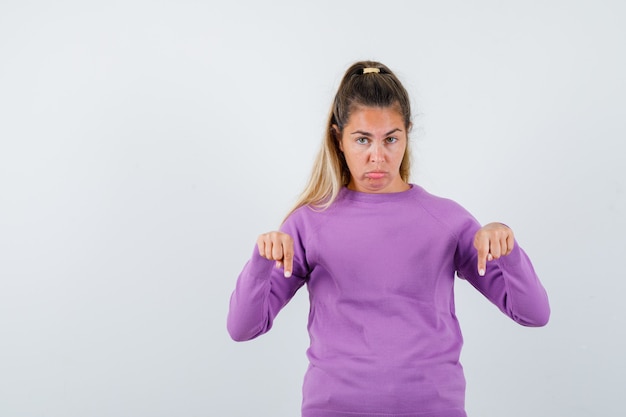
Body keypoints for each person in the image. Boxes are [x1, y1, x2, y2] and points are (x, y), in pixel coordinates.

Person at [227, 60, 550, 417]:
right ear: (338, 138)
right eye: (362, 139)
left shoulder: (447, 221)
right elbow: (243, 328)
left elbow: (533, 314)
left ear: (407, 134)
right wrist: (260, 263)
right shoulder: (308, 223)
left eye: (391, 139)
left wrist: (507, 247)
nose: (377, 156)